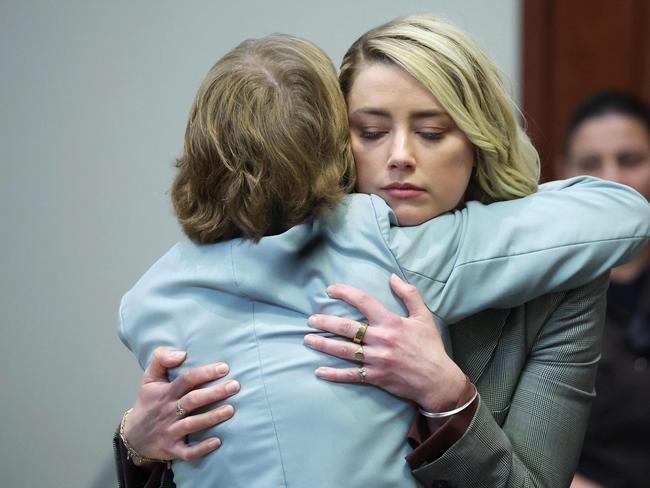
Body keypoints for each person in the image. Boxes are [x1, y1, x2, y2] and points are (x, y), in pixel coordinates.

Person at [115, 19, 650, 488]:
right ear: (331, 142)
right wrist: (137, 444)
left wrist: (449, 397)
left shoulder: (563, 280)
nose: (400, 157)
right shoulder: (267, 253)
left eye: (432, 131)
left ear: (478, 140)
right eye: (370, 132)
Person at [563, 91, 650, 488]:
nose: (612, 180)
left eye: (630, 161)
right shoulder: (536, 296)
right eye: (590, 164)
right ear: (564, 176)